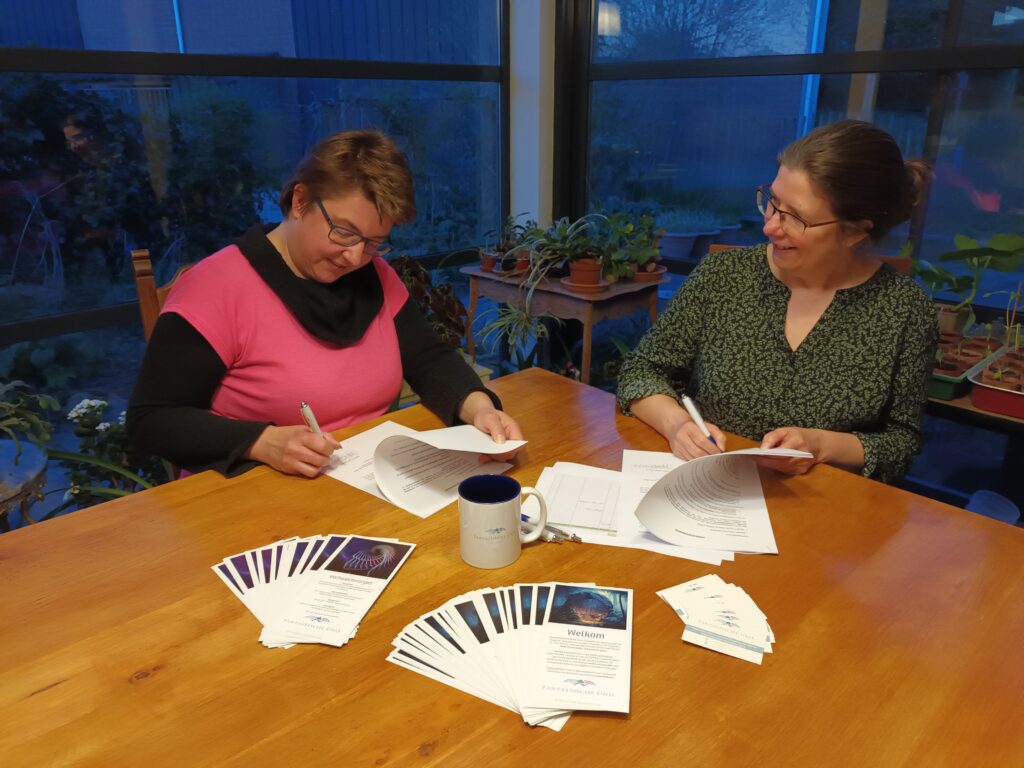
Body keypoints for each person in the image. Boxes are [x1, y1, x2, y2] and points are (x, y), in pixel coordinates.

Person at [127, 129, 522, 477]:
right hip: (251, 494)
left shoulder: (376, 275)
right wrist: (262, 442)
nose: (354, 257)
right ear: (300, 201)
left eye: (373, 242)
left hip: (366, 483)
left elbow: (429, 359)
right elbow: (151, 419)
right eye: (344, 232)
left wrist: (478, 407)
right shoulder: (217, 288)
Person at [617, 120, 937, 483]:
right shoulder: (725, 276)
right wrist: (677, 425)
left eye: (795, 217)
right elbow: (642, 371)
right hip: (710, 488)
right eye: (772, 201)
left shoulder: (905, 311)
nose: (770, 227)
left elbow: (902, 442)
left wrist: (819, 445)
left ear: (854, 232)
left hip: (823, 507)